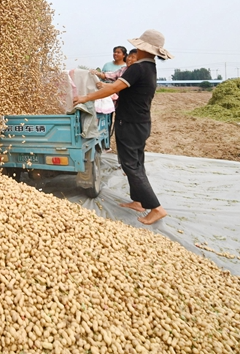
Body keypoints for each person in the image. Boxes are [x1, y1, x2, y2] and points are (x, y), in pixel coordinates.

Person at [74, 29, 173, 225]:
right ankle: (138, 201)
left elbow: (112, 88)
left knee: (129, 165)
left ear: (142, 48)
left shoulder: (138, 68)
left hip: (130, 123)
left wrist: (85, 97)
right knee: (136, 163)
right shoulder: (150, 66)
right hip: (141, 122)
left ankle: (156, 208)